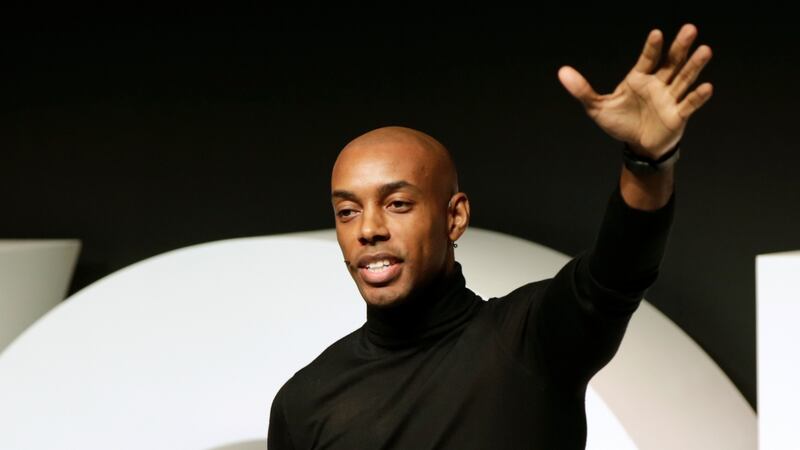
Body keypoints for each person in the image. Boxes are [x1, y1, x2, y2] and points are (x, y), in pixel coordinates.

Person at [267, 23, 712, 449]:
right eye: (347, 211)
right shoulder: (304, 403)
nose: (368, 229)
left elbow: (617, 271)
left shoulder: (530, 342)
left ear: (455, 217)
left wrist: (647, 162)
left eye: (397, 204)